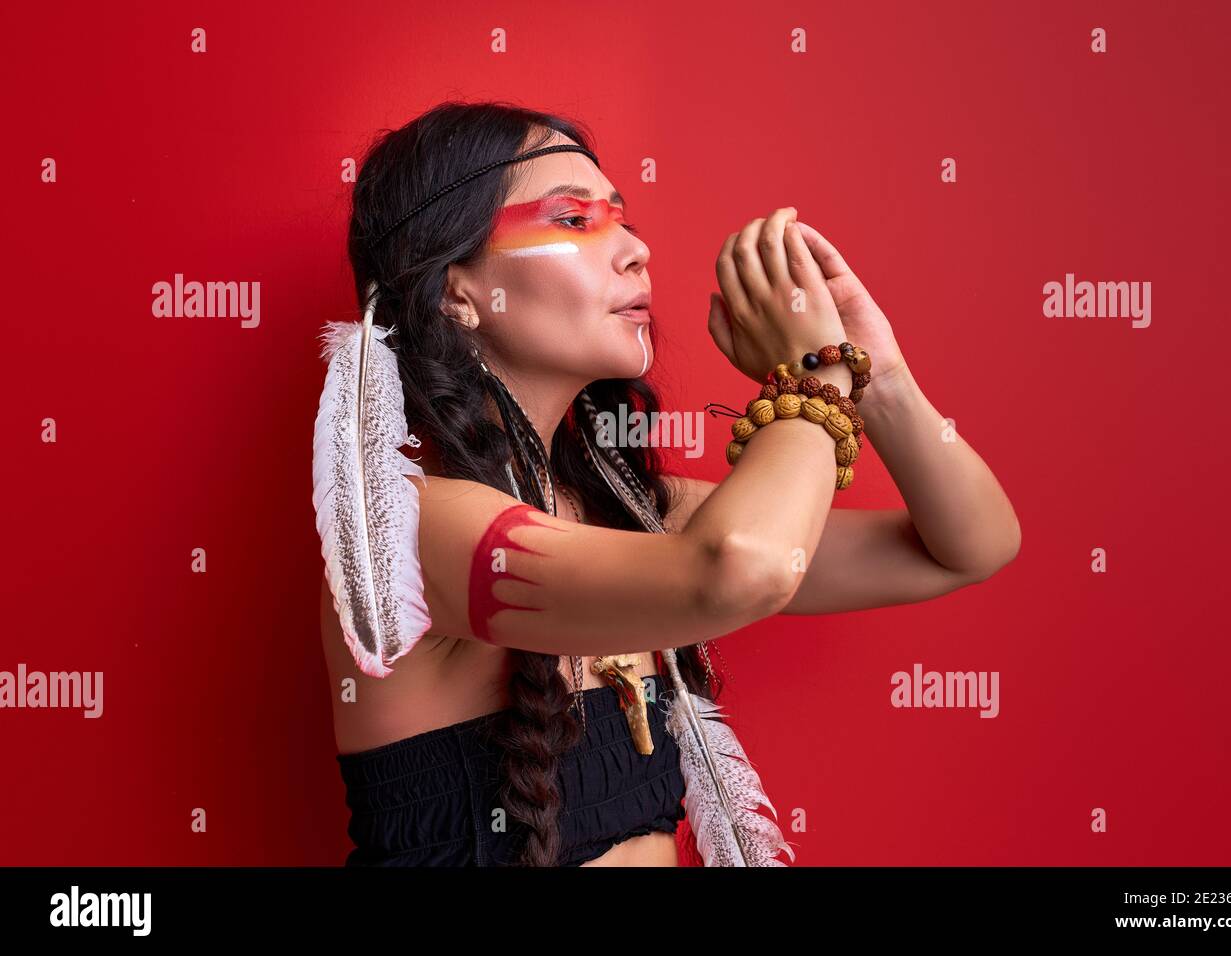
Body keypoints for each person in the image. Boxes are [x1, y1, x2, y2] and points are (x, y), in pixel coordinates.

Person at [314, 100, 1021, 867]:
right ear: (456, 292)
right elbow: (741, 566)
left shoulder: (628, 512)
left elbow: (966, 548)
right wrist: (818, 377)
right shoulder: (407, 531)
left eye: (623, 218)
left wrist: (876, 376)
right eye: (573, 221)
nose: (634, 250)